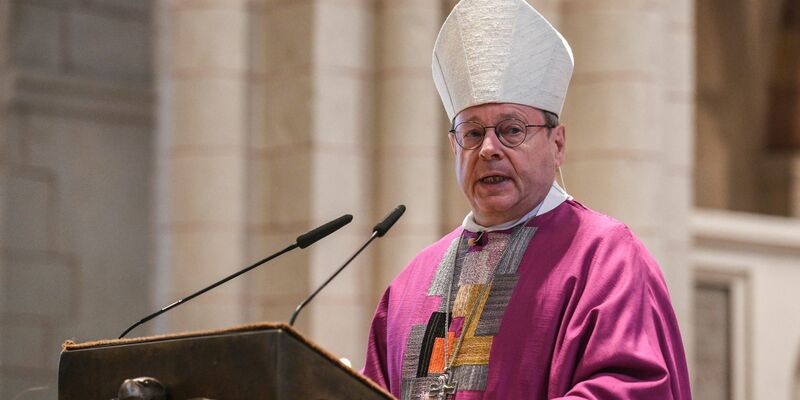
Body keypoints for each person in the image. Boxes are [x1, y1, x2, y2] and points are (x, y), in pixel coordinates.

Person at [362, 0, 692, 399]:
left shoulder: (606, 258)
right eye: (471, 133)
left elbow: (629, 389)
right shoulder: (410, 284)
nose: (488, 149)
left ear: (557, 144)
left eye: (511, 129)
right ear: (454, 146)